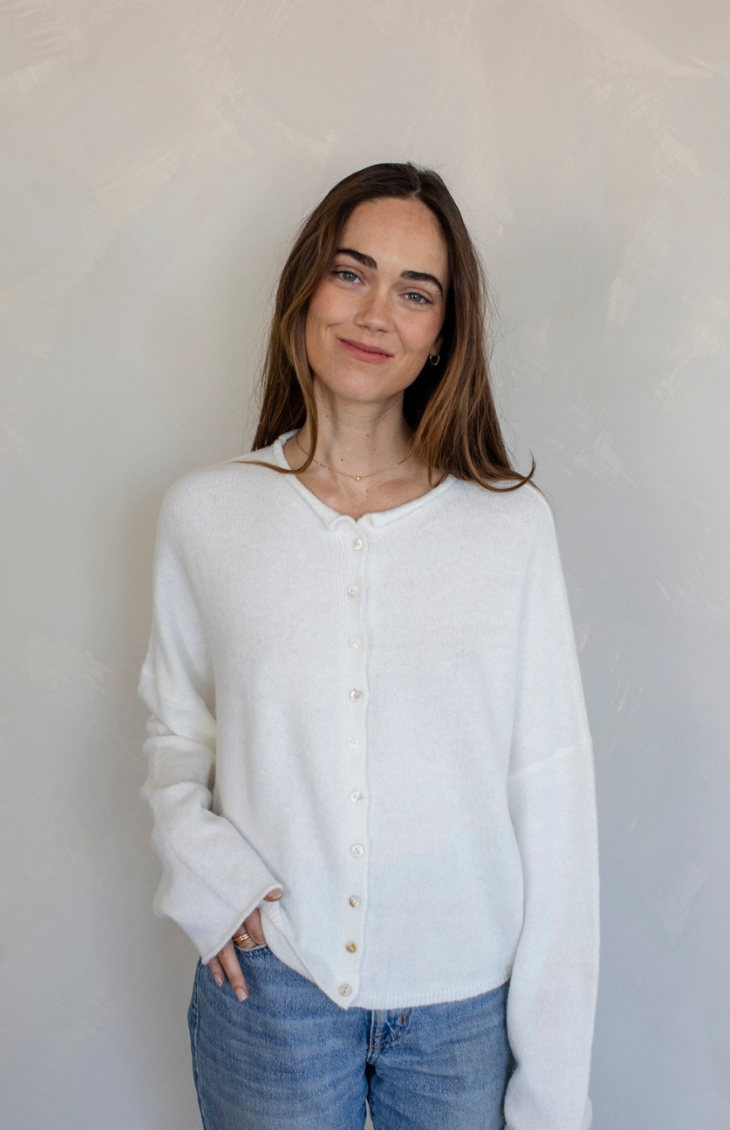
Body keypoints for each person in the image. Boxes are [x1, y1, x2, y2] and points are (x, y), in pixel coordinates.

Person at [137, 161, 599, 1130]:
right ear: (305, 290)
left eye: (415, 292)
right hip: (273, 988)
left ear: (443, 335)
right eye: (351, 273)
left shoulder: (508, 529)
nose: (375, 313)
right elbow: (176, 734)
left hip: (463, 1010)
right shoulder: (207, 514)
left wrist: (553, 1090)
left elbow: (552, 794)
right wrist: (211, 879)